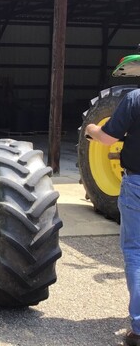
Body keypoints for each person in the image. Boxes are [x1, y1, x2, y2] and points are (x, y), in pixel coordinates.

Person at [85, 88, 140, 346]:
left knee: (135, 252)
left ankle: (139, 329)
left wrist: (92, 129)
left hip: (137, 183)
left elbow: (108, 139)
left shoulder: (134, 98)